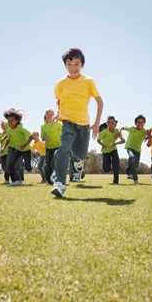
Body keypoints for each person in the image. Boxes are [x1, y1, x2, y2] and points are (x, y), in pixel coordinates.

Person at [51, 48, 103, 198]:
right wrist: (58, 113)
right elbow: (59, 100)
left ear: (82, 65)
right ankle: (60, 184)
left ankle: (77, 162)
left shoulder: (88, 82)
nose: (73, 68)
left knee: (80, 154)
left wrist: (97, 123)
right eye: (69, 64)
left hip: (84, 124)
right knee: (64, 147)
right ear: (65, 65)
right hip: (67, 122)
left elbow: (100, 101)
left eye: (76, 64)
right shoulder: (60, 84)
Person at [3, 108, 34, 186]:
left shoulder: (21, 128)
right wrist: (4, 147)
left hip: (26, 150)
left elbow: (31, 137)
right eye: (9, 121)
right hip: (18, 150)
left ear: (17, 120)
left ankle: (29, 166)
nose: (10, 123)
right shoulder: (9, 130)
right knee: (10, 164)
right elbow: (8, 139)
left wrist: (25, 145)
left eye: (12, 121)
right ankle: (16, 181)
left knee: (28, 168)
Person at [121, 115, 149, 184]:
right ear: (135, 123)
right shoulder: (132, 128)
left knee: (136, 166)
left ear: (144, 123)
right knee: (132, 157)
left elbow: (151, 133)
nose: (140, 123)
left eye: (142, 122)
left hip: (138, 150)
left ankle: (135, 180)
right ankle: (128, 172)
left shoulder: (144, 131)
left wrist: (149, 137)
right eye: (138, 122)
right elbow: (122, 128)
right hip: (130, 147)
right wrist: (119, 131)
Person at [97, 116, 125, 184]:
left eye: (113, 122)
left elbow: (123, 141)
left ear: (115, 123)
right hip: (105, 151)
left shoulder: (117, 131)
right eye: (109, 122)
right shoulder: (104, 132)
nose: (111, 123)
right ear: (107, 124)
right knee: (106, 169)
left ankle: (116, 181)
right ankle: (109, 168)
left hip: (113, 149)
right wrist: (103, 145)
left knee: (116, 164)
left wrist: (115, 143)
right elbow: (98, 140)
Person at [40, 109, 62, 184]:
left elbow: (64, 131)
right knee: (47, 165)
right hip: (48, 147)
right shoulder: (43, 126)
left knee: (53, 163)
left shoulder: (58, 124)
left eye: (51, 114)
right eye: (48, 114)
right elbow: (42, 137)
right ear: (45, 116)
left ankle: (57, 179)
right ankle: (49, 181)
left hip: (57, 146)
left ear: (54, 116)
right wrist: (44, 138)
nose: (49, 116)